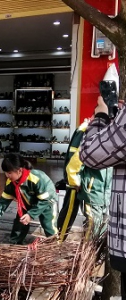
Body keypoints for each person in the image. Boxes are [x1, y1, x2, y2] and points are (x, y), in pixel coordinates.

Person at [80, 96, 126, 299]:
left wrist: (100, 117)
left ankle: (91, 266)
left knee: (92, 228)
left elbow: (89, 152)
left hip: (97, 193)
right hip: (95, 192)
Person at [0, 153, 58, 244]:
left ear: (19, 170)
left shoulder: (36, 179)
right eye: (5, 172)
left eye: (9, 172)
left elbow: (45, 200)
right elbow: (2, 204)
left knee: (48, 224)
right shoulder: (11, 183)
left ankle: (54, 244)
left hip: (47, 201)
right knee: (20, 222)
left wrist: (30, 215)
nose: (7, 175)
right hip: (26, 201)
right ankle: (15, 243)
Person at [57, 118, 112, 241]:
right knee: (72, 213)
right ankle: (59, 242)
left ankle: (91, 252)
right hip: (86, 184)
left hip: (102, 189)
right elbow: (76, 155)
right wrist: (74, 180)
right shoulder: (90, 129)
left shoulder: (110, 129)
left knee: (99, 221)